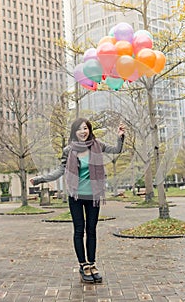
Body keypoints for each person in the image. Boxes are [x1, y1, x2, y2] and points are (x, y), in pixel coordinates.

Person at [30, 117, 125, 284]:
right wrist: (40, 179)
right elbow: (60, 170)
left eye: (86, 128)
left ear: (89, 130)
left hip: (93, 195)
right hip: (76, 195)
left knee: (92, 230)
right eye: (80, 129)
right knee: (79, 230)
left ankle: (92, 263)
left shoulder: (97, 145)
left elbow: (117, 150)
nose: (83, 131)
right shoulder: (69, 150)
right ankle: (83, 265)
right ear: (75, 132)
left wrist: (120, 136)